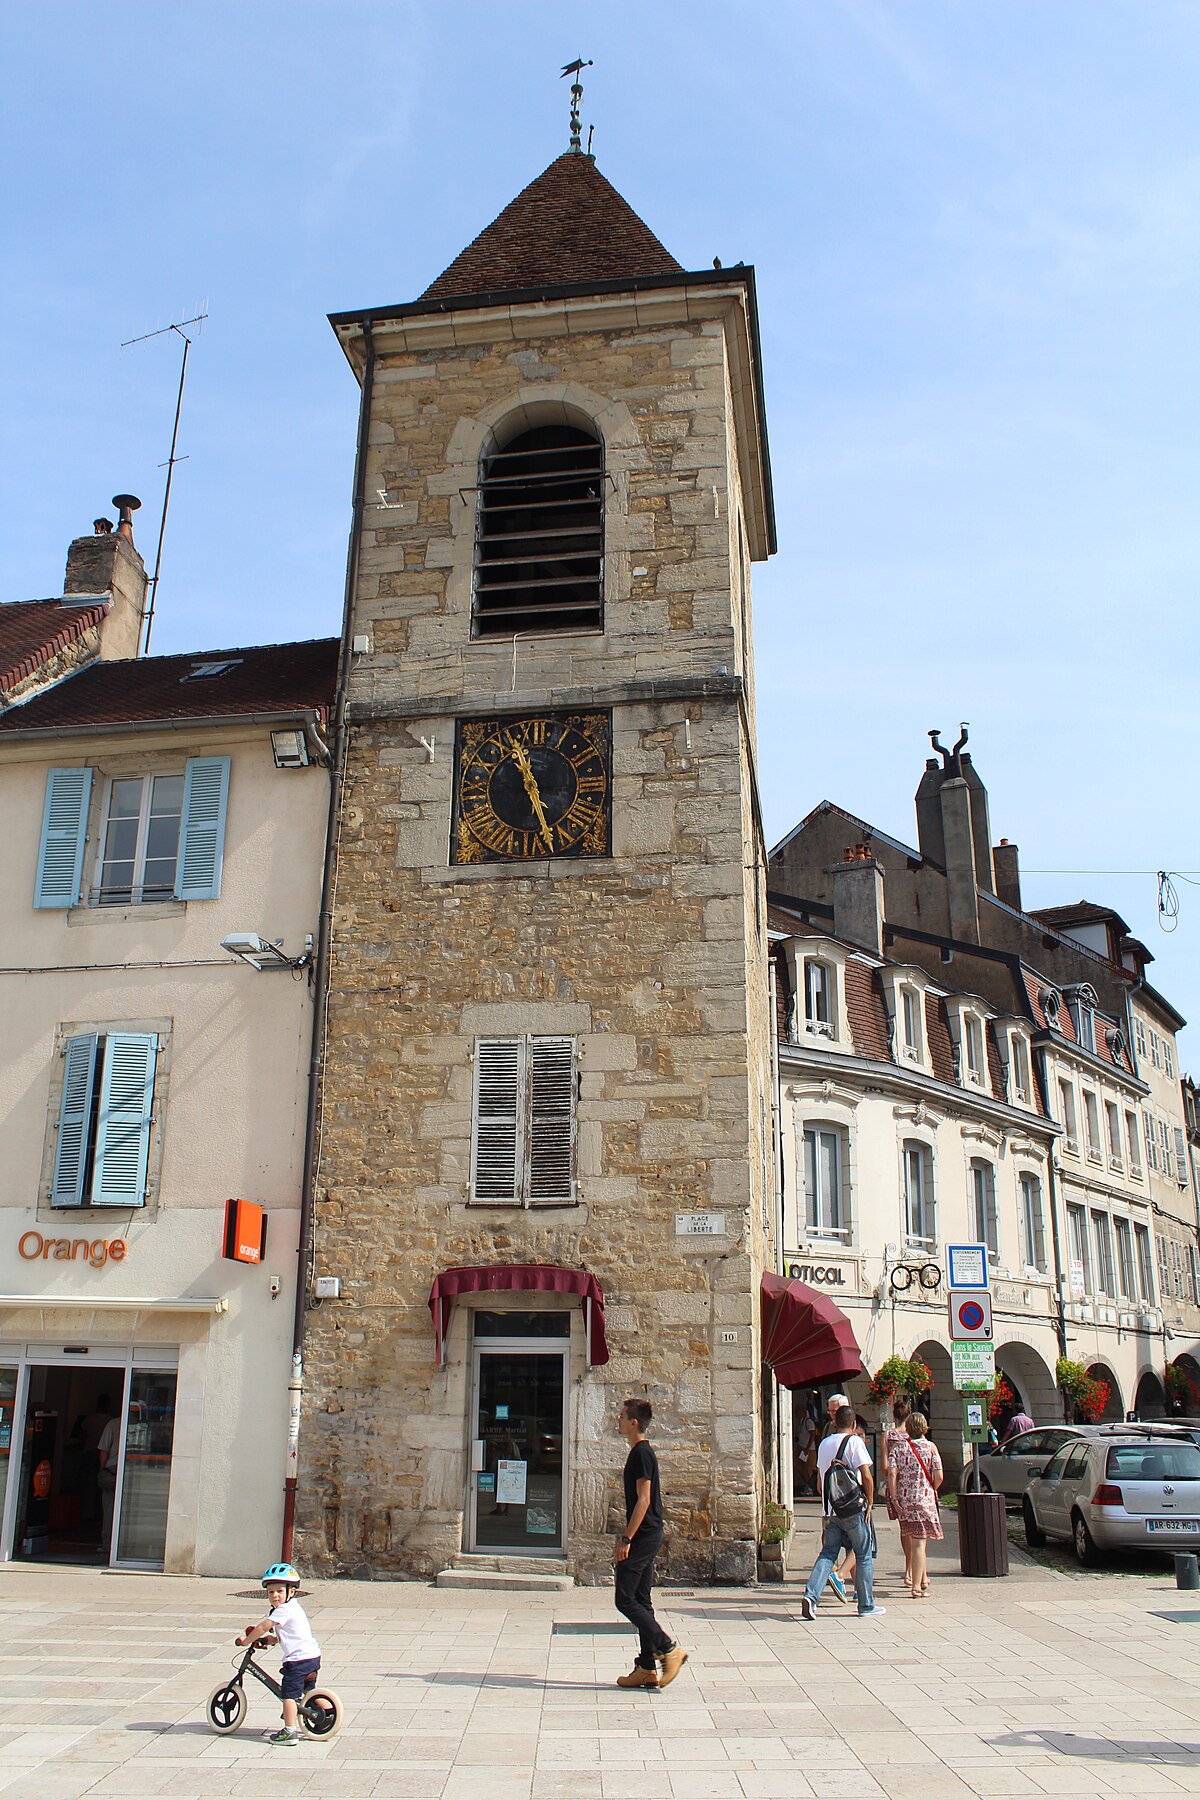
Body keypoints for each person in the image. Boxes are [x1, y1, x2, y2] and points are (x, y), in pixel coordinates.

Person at [613, 1399, 687, 1690]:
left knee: (625, 1598)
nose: (617, 1420)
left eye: (622, 1416)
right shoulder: (638, 1452)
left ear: (634, 1422)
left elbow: (644, 1500)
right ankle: (646, 1667)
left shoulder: (642, 1453)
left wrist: (626, 1538)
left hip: (644, 1534)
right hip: (647, 1532)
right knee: (642, 1600)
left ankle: (668, 1649)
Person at [799, 1404, 885, 1620]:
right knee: (863, 1553)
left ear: (835, 1423)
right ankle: (866, 1605)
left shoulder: (825, 1444)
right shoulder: (854, 1442)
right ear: (854, 1424)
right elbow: (866, 1475)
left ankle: (811, 1596)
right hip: (853, 1508)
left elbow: (821, 1482)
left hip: (831, 1509)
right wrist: (871, 1500)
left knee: (828, 1553)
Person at [236, 1563, 324, 1746]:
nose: (274, 1596)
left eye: (279, 1591)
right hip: (311, 1657)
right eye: (270, 1592)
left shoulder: (284, 1610)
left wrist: (246, 1641)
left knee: (288, 1696)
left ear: (291, 1592)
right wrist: (268, 1640)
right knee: (308, 1691)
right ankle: (325, 1713)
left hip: (298, 1660)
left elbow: (262, 1627)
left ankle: (289, 1732)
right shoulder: (292, 1607)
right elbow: (284, 1635)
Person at [887, 1412, 943, 1597]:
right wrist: (931, 1488)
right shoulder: (931, 1447)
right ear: (925, 1427)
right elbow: (939, 1475)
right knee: (920, 1544)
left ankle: (923, 1578)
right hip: (923, 1499)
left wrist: (894, 1498)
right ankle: (916, 1587)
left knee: (913, 1539)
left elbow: (892, 1474)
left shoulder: (897, 1448)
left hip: (904, 1500)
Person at [883, 1399, 913, 1585]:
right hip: (914, 1486)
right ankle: (913, 1569)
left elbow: (885, 1466)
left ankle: (908, 1568)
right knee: (918, 1531)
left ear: (893, 1416)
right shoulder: (913, 1436)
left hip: (896, 1487)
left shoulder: (888, 1436)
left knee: (904, 1530)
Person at [96, 1405, 121, 1553]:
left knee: (109, 1508)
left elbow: (103, 1450)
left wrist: (102, 1470)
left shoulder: (113, 1424)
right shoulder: (138, 1423)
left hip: (111, 1470)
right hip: (128, 1469)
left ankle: (107, 1546)